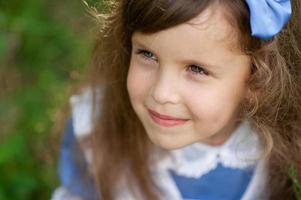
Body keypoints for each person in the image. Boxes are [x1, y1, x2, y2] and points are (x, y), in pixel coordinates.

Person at [51, 0, 301, 199]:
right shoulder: (97, 128)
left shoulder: (287, 152)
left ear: (257, 78)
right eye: (147, 54)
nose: (161, 93)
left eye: (196, 69)